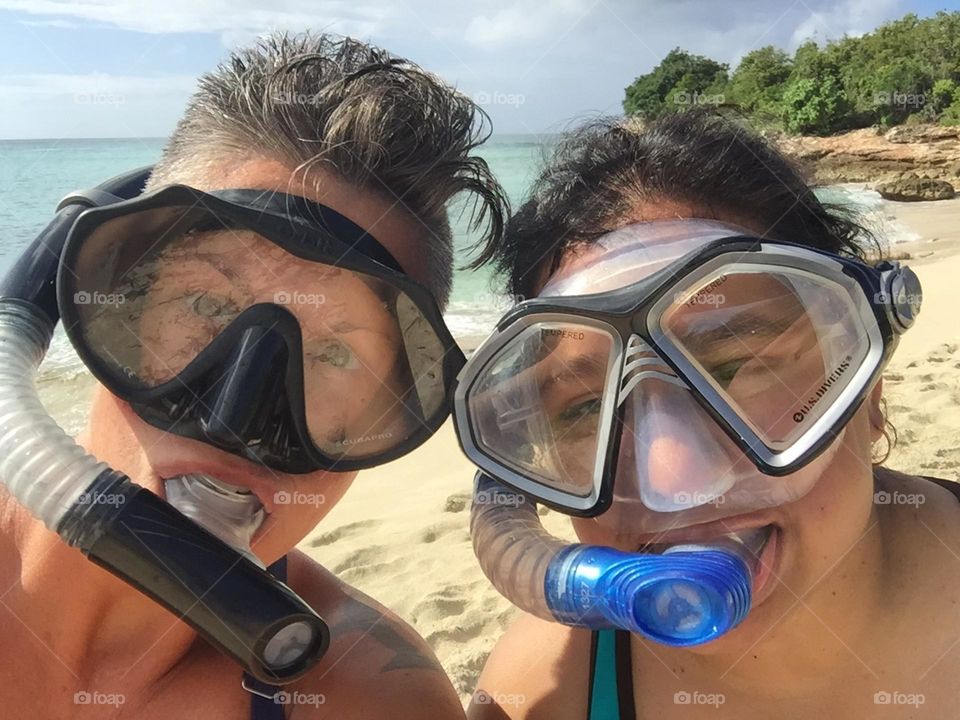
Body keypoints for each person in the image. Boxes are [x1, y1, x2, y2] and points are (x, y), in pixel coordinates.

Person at [0, 32, 505, 719]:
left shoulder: (369, 699)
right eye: (206, 305)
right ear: (114, 300)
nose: (234, 421)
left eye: (333, 354)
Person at [455, 110, 957, 719]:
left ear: (869, 391)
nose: (675, 485)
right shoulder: (537, 701)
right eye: (588, 406)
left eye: (741, 366)